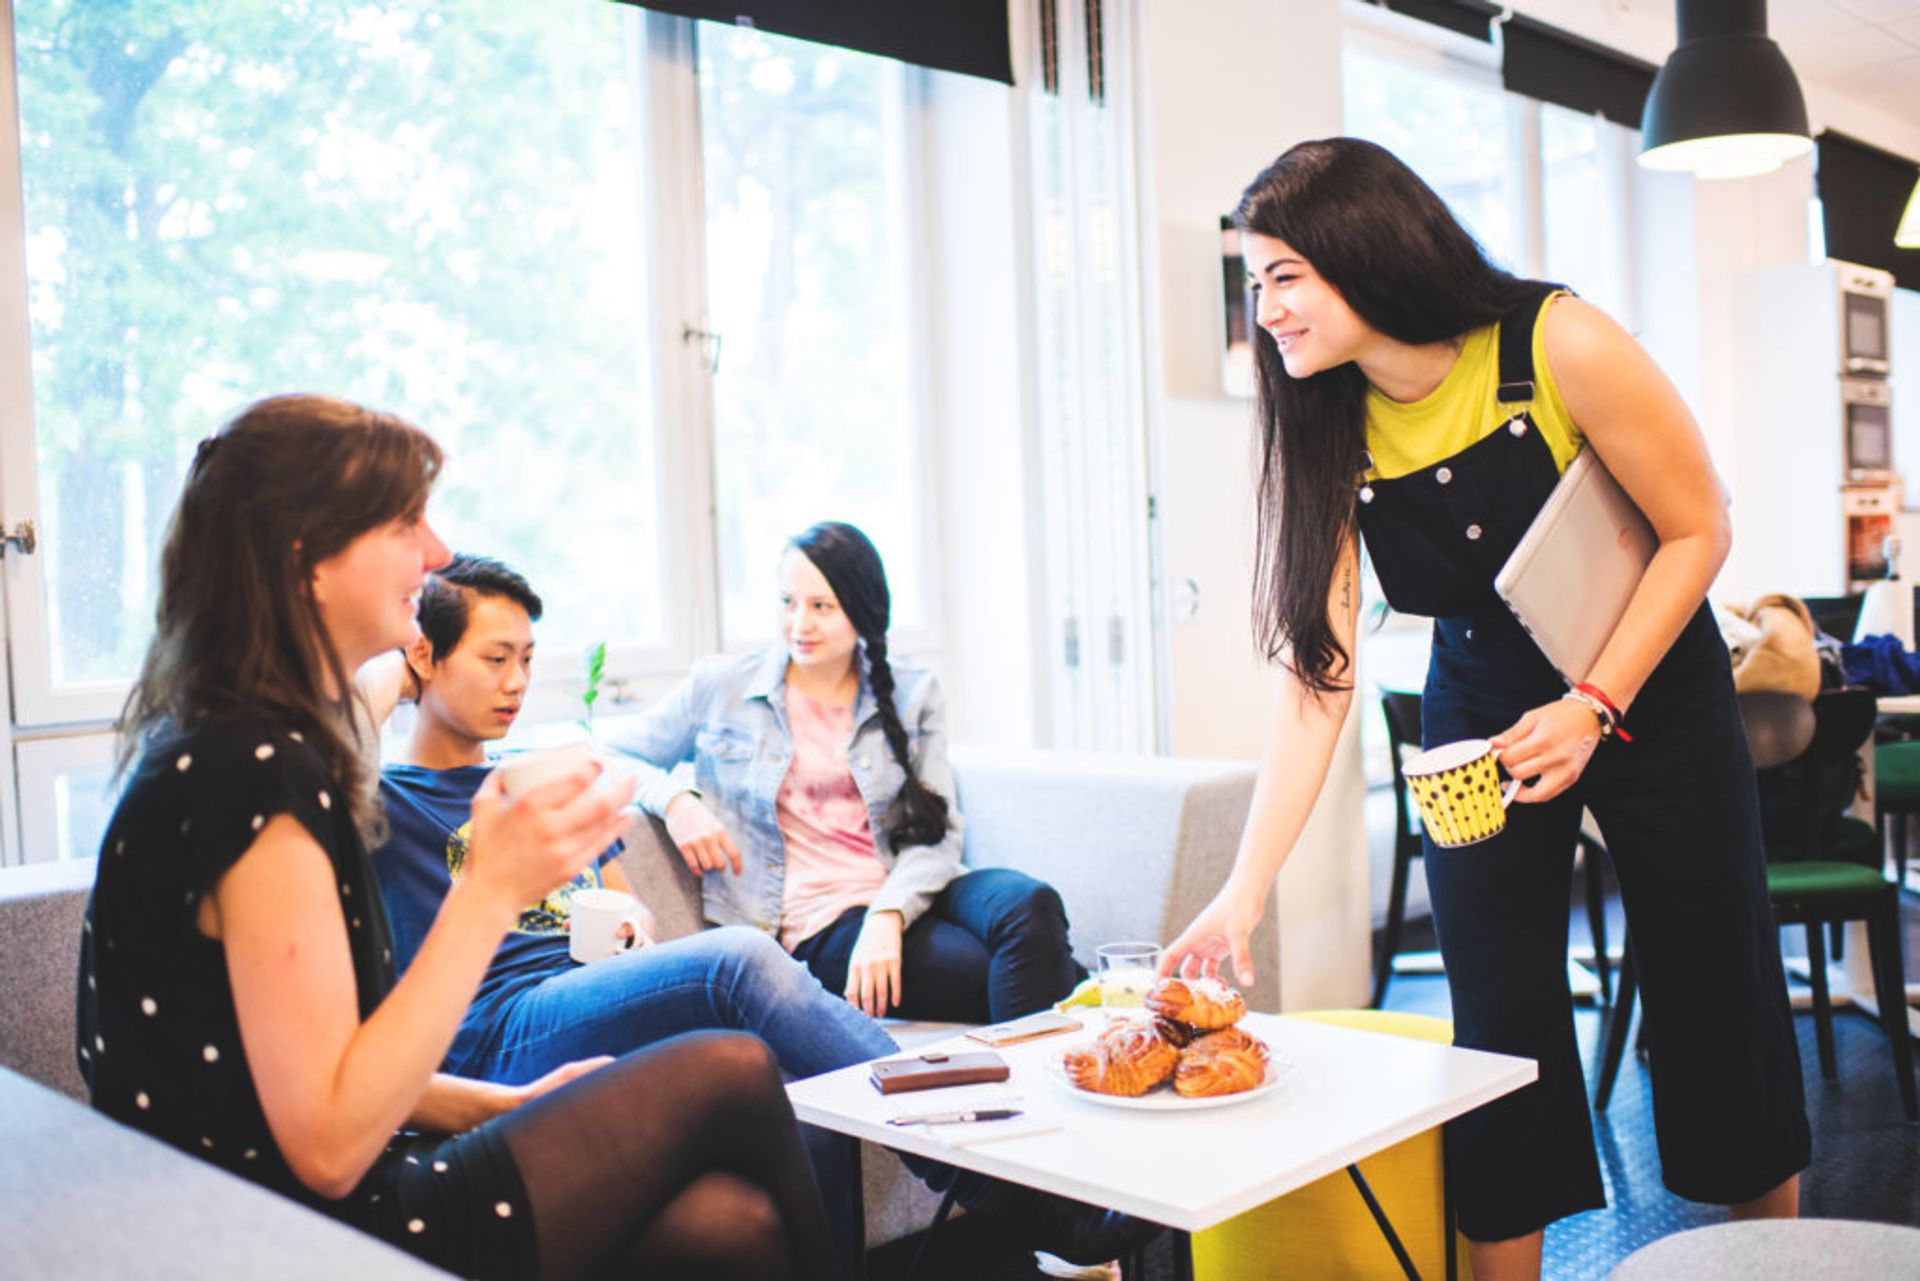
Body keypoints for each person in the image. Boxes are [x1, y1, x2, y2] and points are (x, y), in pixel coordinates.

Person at [1159, 139, 1810, 1280]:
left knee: (1719, 995)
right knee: (1497, 1030)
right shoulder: (1325, 417)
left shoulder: (1558, 342)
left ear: (1363, 254)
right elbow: (1318, 678)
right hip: (1481, 704)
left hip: (1649, 678)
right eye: (1255, 282)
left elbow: (1700, 527)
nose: (1263, 309)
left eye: (1281, 278)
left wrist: (1595, 701)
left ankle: (1784, 1264)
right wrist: (1240, 893)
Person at [77, 395, 837, 1281]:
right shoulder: (254, 776)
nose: (435, 553)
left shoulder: (236, 739)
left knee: (734, 1225)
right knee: (733, 1067)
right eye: (404, 522)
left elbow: (296, 1065)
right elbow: (325, 1146)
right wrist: (489, 889)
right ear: (306, 559)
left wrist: (492, 1106)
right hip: (299, 1224)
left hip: (312, 1178)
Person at [372, 552, 1158, 1273]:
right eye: (494, 658)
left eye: (528, 660)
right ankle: (1028, 1194)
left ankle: (1055, 1154)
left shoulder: (529, 780)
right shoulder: (377, 801)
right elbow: (327, 720)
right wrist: (395, 677)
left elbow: (614, 901)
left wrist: (630, 920)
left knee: (766, 1137)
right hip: (499, 1029)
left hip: (583, 995)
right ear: (423, 657)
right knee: (739, 960)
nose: (516, 683)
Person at [606, 521, 1082, 1025]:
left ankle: (1058, 1049)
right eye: (788, 602)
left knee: (1033, 905)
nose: (799, 624)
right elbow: (608, 753)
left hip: (913, 890)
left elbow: (939, 837)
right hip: (819, 924)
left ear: (862, 609)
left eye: (821, 607)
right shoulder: (723, 686)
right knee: (1032, 971)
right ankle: (1075, 1035)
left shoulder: (911, 693)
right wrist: (677, 801)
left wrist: (889, 913)